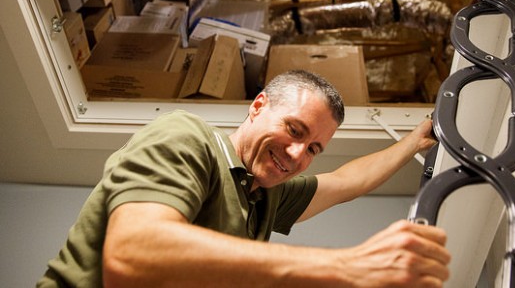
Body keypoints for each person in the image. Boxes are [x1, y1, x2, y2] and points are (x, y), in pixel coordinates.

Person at [38, 69, 450, 288]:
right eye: (295, 130)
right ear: (258, 106)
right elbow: (132, 256)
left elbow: (346, 182)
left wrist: (415, 141)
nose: (296, 155)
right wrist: (348, 266)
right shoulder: (186, 136)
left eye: (313, 150)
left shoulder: (264, 195)